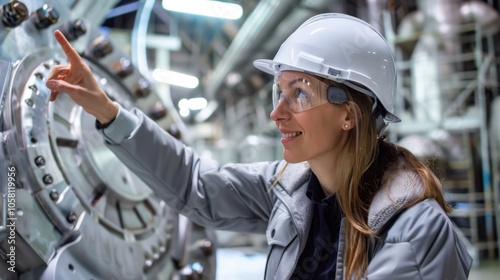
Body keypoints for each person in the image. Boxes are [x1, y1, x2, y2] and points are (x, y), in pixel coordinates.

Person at [46, 13, 472, 280]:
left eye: (300, 93)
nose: (277, 113)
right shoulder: (289, 187)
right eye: (278, 92)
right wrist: (108, 111)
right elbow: (196, 184)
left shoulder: (415, 231)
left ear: (350, 114)